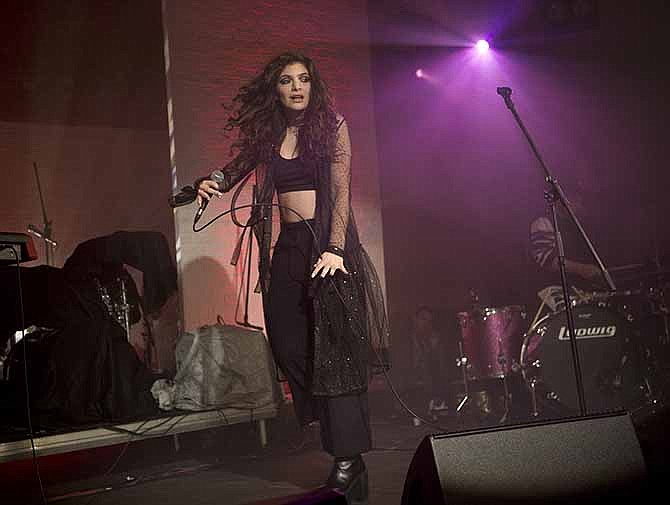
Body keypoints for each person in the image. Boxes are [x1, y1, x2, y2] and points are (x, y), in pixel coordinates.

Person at [196, 52, 388, 504]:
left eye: (304, 79)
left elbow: (340, 192)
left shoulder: (332, 126)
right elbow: (238, 165)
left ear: (313, 85)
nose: (297, 87)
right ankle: (338, 440)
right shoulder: (270, 134)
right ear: (276, 89)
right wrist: (213, 181)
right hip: (288, 250)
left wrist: (336, 249)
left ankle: (346, 462)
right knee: (285, 342)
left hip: (327, 249)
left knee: (335, 357)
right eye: (287, 80)